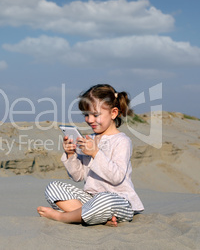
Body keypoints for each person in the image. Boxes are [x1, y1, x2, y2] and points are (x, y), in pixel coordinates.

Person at [37, 84, 144, 226]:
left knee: (104, 200)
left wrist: (95, 153)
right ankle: (96, 218)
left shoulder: (122, 141)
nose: (90, 120)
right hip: (91, 199)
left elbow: (116, 177)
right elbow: (78, 176)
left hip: (118, 201)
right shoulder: (89, 140)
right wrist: (70, 155)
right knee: (53, 187)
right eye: (86, 115)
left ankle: (63, 217)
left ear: (113, 113)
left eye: (95, 115)